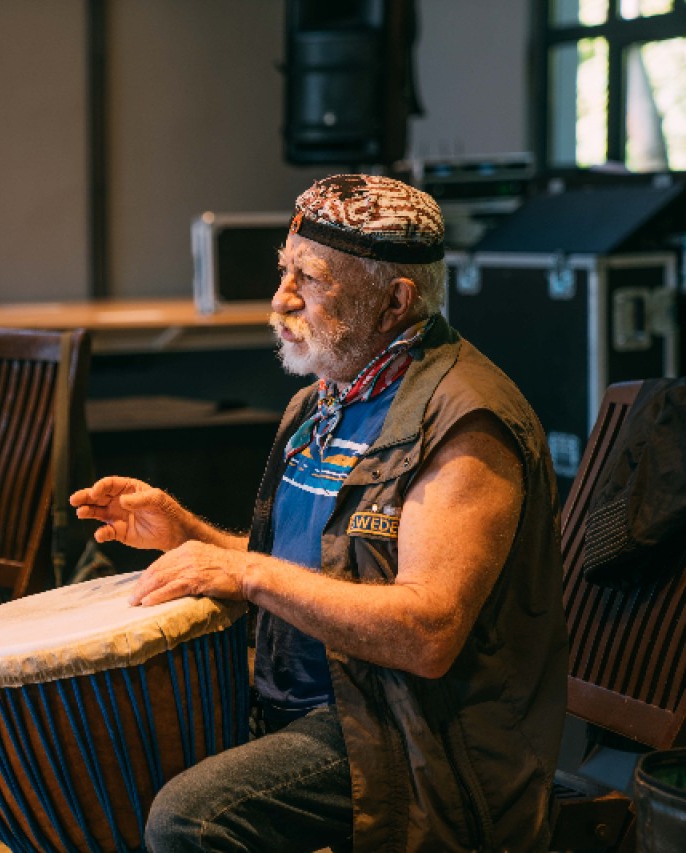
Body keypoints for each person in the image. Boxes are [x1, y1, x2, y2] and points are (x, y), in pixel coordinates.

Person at [70, 175, 568, 851]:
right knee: (107, 758)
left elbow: (429, 631)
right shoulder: (320, 404)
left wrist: (245, 573)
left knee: (191, 819)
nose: (281, 297)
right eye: (284, 269)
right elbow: (310, 568)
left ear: (394, 300)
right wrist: (189, 537)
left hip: (410, 737)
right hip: (312, 705)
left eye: (311, 277)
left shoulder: (466, 422)